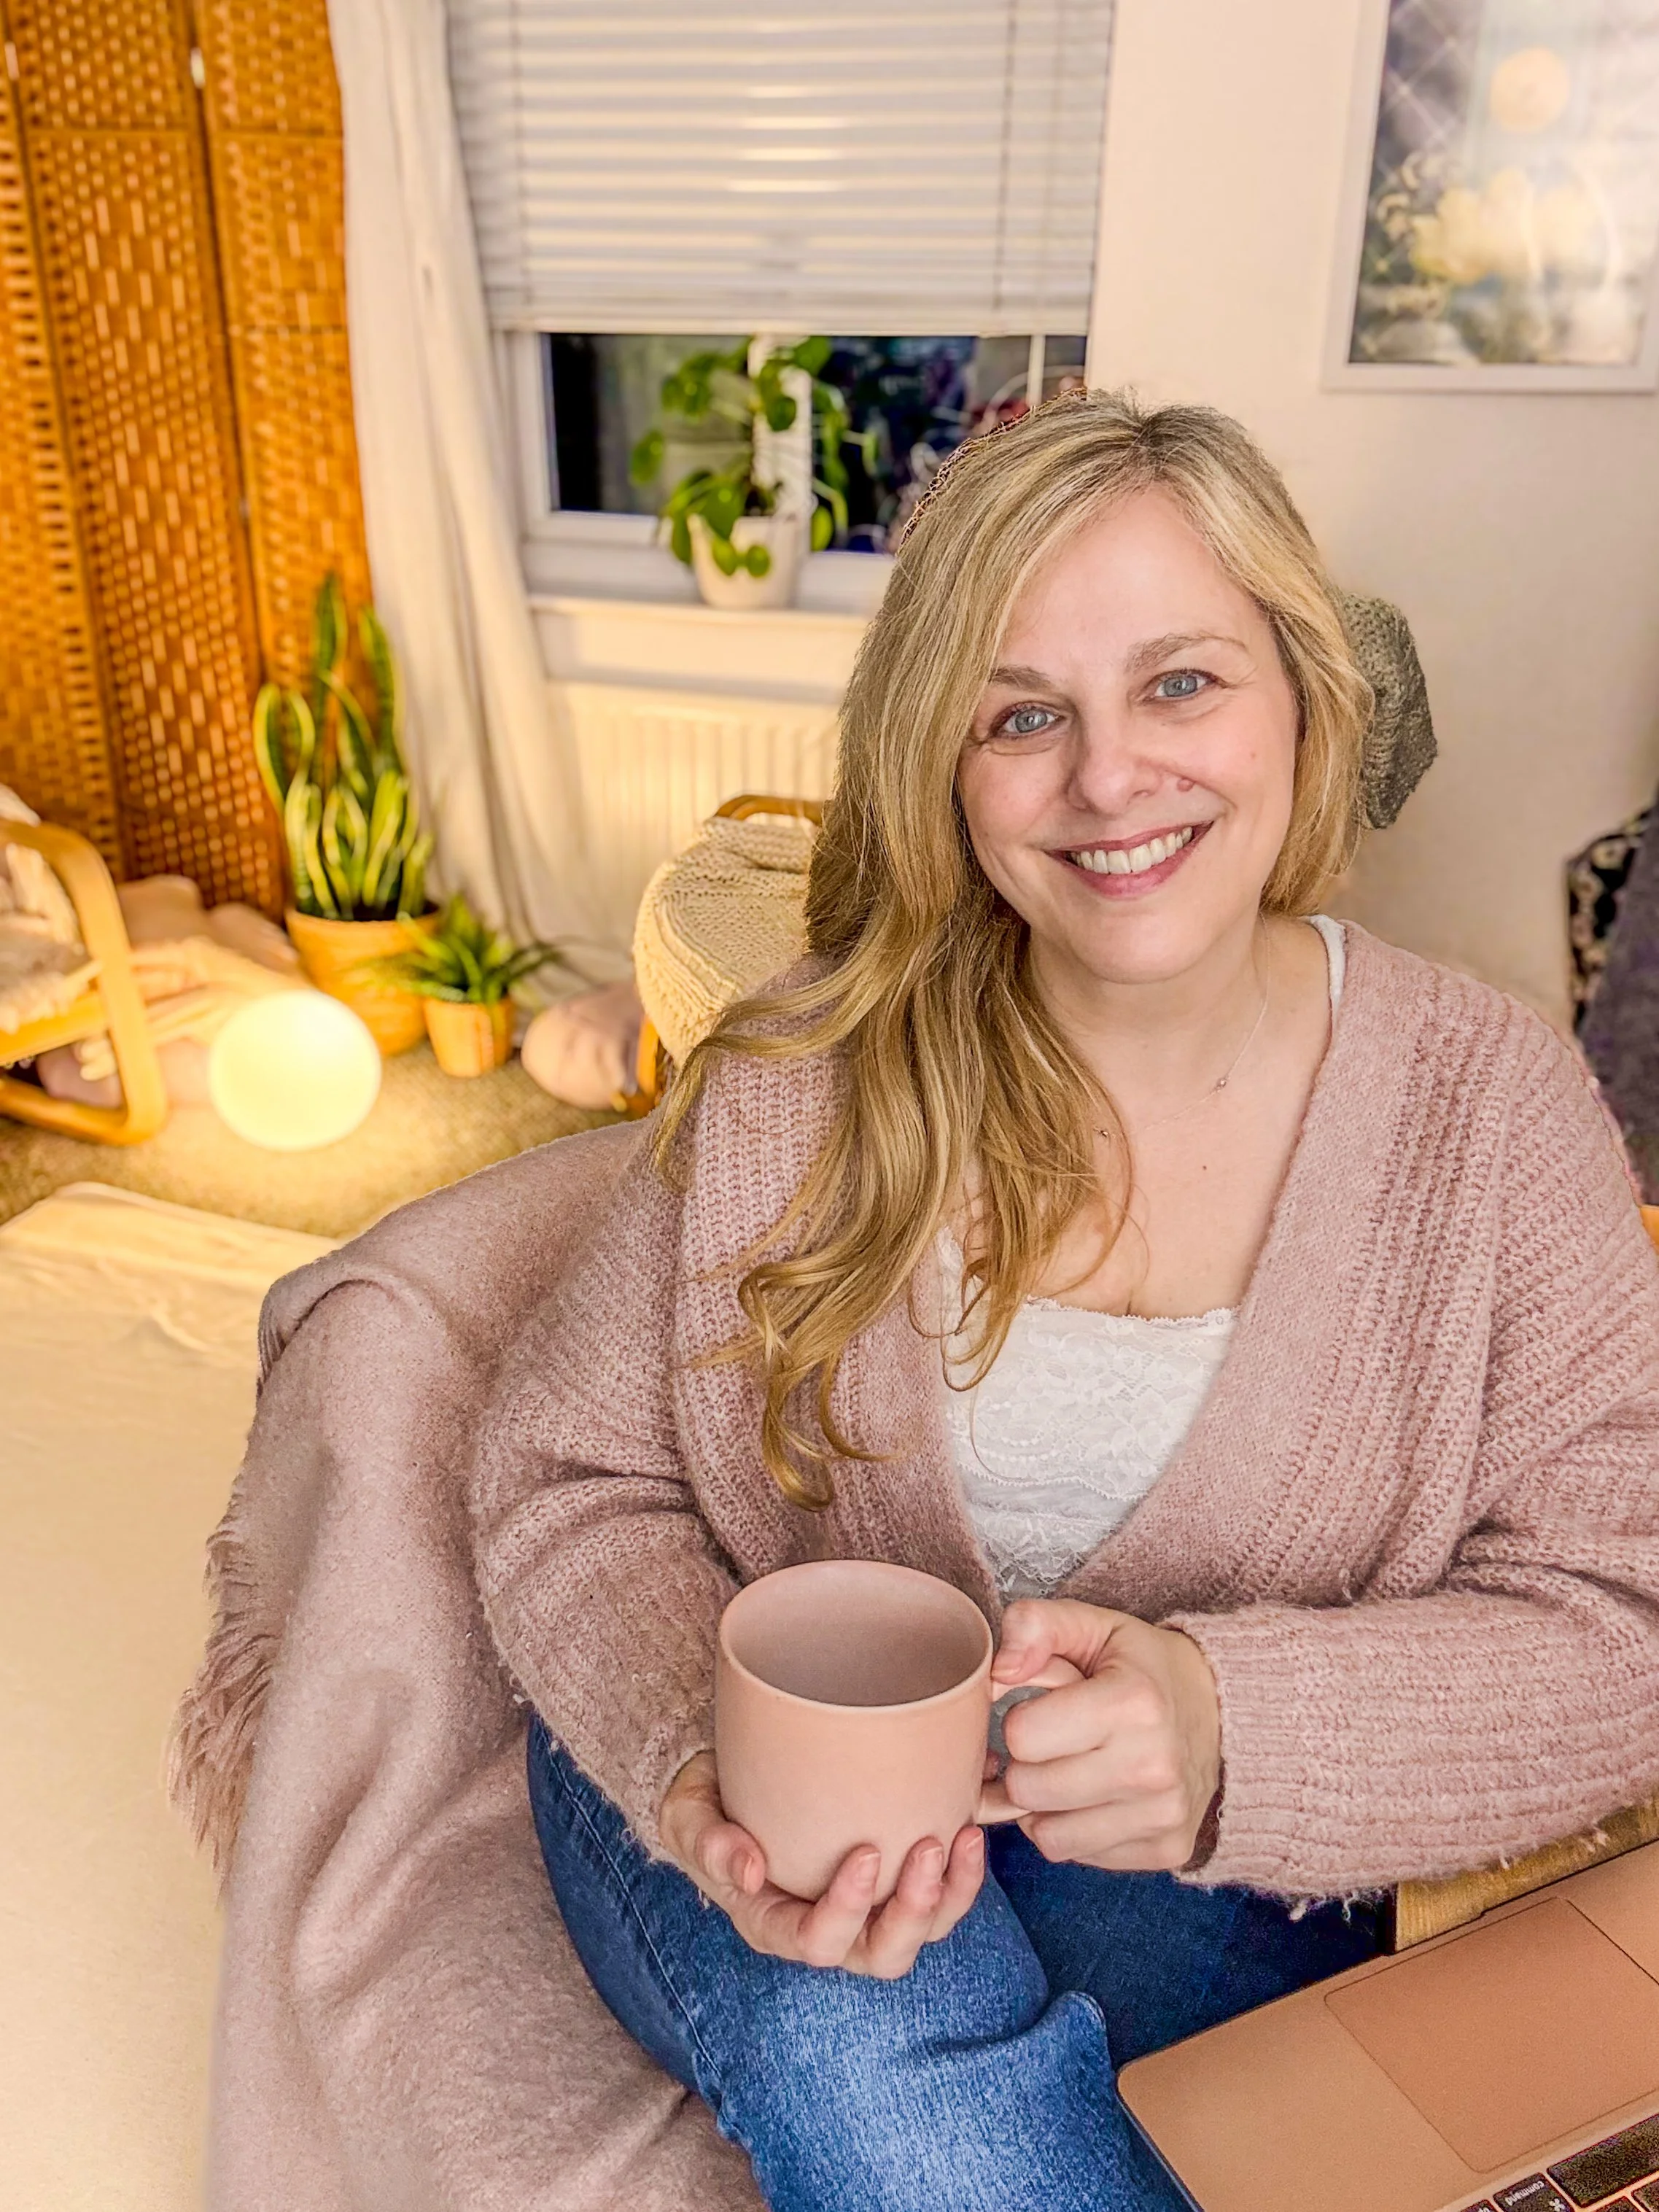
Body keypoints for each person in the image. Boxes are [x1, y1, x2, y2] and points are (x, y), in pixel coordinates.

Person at [468, 392, 1659, 2212]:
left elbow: (1628, 1618)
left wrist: (1233, 1727)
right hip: (733, 1780)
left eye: (1181, 683)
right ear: (945, 766)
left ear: (1302, 697)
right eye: (1024, 715)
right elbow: (569, 1476)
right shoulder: (801, 1076)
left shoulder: (1493, 1116)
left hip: (1200, 1865)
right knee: (856, 2005)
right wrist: (702, 1762)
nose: (1111, 780)